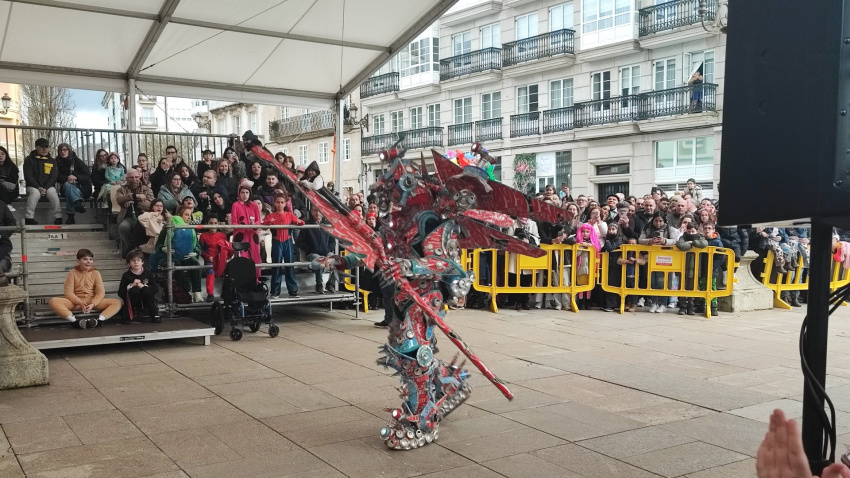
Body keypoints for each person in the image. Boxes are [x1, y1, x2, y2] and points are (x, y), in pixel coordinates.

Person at [49, 248, 122, 329]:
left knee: (117, 302)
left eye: (90, 259)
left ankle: (99, 320)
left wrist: (93, 304)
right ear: (78, 261)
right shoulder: (72, 273)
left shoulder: (96, 273)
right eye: (85, 259)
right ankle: (75, 321)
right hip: (76, 303)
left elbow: (100, 292)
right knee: (53, 301)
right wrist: (79, 302)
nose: (88, 262)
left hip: (92, 302)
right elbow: (68, 292)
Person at [153, 206, 204, 302]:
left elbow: (197, 246)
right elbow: (158, 244)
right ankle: (187, 291)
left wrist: (195, 252)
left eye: (190, 215)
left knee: (196, 264)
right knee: (176, 265)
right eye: (186, 215)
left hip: (186, 256)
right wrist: (163, 248)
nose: (189, 217)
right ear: (179, 216)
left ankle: (197, 293)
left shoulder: (192, 229)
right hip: (171, 256)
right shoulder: (168, 226)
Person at [263, 191, 305, 298]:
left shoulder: (289, 215)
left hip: (288, 242)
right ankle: (275, 291)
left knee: (289, 266)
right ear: (274, 203)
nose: (280, 204)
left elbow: (299, 222)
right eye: (278, 202)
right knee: (276, 266)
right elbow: (263, 226)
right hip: (277, 242)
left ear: (285, 203)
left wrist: (300, 222)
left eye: (282, 202)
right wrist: (269, 222)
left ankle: (293, 290)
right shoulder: (271, 216)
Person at [115, 169, 154, 256]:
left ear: (140, 177)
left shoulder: (147, 189)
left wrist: (136, 201)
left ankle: (139, 249)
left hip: (144, 217)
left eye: (136, 177)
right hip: (129, 217)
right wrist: (132, 196)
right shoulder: (121, 190)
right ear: (126, 178)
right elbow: (119, 199)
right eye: (131, 177)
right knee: (123, 227)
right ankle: (131, 250)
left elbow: (151, 205)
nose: (134, 179)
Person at [297, 207, 337, 294]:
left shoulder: (327, 225)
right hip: (312, 253)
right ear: (311, 212)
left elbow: (332, 242)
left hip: (326, 251)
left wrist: (328, 249)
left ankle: (330, 283)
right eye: (315, 210)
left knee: (338, 260)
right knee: (319, 259)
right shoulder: (306, 225)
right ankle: (319, 284)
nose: (317, 213)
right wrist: (310, 249)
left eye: (319, 210)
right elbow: (299, 242)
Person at [23, 137, 61, 225]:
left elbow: (53, 177)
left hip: (48, 186)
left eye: (46, 147)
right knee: (35, 193)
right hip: (33, 186)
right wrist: (38, 187)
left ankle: (58, 217)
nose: (45, 149)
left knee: (52, 193)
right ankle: (29, 218)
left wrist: (45, 188)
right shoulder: (29, 160)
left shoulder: (52, 160)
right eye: (42, 147)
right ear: (36, 147)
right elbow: (28, 176)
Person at [230, 180, 263, 278]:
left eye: (247, 192)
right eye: (242, 192)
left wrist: (253, 225)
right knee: (242, 258)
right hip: (240, 235)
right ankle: (242, 282)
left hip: (253, 235)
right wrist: (243, 226)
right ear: (239, 193)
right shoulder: (235, 205)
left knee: (255, 257)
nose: (245, 195)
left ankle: (256, 280)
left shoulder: (254, 205)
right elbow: (234, 222)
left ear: (250, 193)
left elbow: (258, 221)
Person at [118, 250, 160, 323]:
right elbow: (120, 293)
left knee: (146, 290)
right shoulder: (126, 275)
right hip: (133, 300)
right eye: (133, 261)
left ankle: (155, 315)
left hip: (146, 300)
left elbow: (155, 289)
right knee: (134, 290)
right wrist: (131, 286)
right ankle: (128, 317)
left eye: (138, 260)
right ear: (129, 264)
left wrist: (143, 287)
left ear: (142, 262)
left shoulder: (148, 273)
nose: (136, 263)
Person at [55, 143, 90, 224]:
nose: (62, 152)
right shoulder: (56, 162)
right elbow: (56, 176)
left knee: (69, 192)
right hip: (65, 186)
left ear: (69, 150)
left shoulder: (78, 162)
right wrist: (67, 178)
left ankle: (71, 217)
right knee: (68, 185)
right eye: (60, 150)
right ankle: (77, 202)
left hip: (81, 189)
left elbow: (87, 176)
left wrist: (76, 177)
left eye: (65, 150)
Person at [198, 216, 230, 302]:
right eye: (211, 223)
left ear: (218, 224)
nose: (213, 225)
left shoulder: (222, 235)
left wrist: (224, 257)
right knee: (210, 273)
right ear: (207, 224)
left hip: (221, 259)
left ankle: (226, 293)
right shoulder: (203, 236)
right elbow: (200, 250)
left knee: (228, 272)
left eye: (215, 223)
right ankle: (210, 294)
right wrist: (208, 257)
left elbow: (226, 248)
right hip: (209, 259)